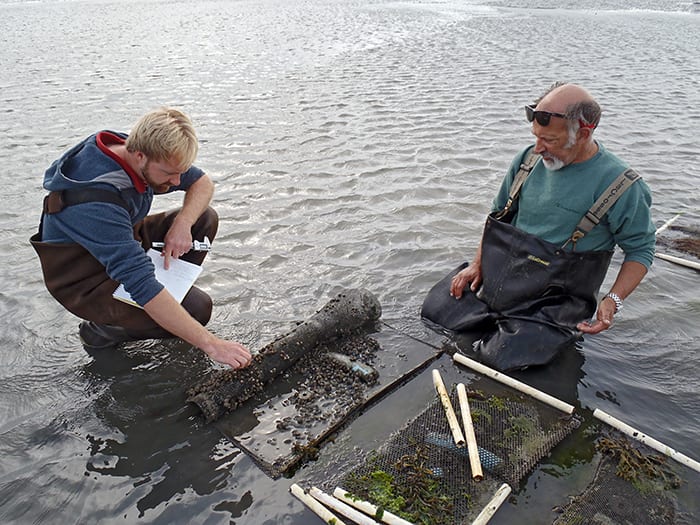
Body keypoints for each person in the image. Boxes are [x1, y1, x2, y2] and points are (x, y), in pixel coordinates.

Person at [421, 82, 655, 371]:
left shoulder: (622, 186)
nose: (538, 148)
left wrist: (613, 300)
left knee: (501, 360)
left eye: (551, 141)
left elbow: (641, 250)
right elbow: (498, 216)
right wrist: (476, 266)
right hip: (501, 278)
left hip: (554, 301)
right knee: (435, 314)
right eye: (536, 137)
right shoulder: (527, 159)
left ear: (584, 133)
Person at [30, 107, 252, 369]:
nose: (177, 180)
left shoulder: (140, 148)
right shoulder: (94, 200)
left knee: (203, 219)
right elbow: (142, 284)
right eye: (170, 173)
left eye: (180, 172)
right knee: (198, 308)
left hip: (120, 240)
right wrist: (212, 344)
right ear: (139, 156)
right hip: (82, 279)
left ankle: (169, 297)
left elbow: (202, 182)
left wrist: (183, 224)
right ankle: (101, 331)